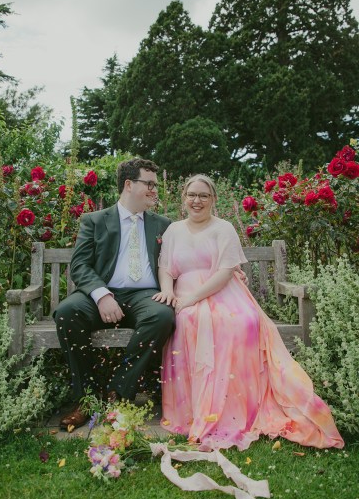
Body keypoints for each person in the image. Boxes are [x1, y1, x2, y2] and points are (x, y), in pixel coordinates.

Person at [153, 174, 344, 450]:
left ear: (213, 199)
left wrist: (193, 298)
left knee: (243, 323)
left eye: (203, 196)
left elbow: (225, 272)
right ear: (184, 198)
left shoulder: (224, 228)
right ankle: (194, 410)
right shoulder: (174, 231)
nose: (197, 201)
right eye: (191, 195)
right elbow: (165, 268)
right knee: (188, 320)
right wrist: (168, 291)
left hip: (222, 291)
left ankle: (238, 408)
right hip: (184, 295)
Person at [54, 158, 174, 429]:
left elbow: (184, 258)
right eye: (150, 184)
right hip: (103, 293)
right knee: (66, 312)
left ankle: (117, 392)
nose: (155, 190)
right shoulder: (95, 220)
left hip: (145, 295)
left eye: (156, 185)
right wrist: (102, 294)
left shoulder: (163, 224)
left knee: (163, 315)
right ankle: (86, 399)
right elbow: (80, 265)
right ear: (129, 185)